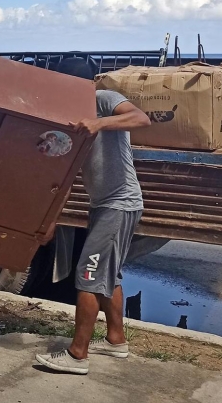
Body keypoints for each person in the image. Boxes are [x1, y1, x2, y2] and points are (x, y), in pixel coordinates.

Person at [35, 58, 151, 375]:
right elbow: (66, 175)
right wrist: (51, 220)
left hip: (120, 203)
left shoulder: (103, 99)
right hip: (103, 204)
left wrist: (98, 123)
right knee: (108, 276)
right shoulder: (70, 116)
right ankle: (116, 341)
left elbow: (141, 119)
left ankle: (77, 356)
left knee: (88, 274)